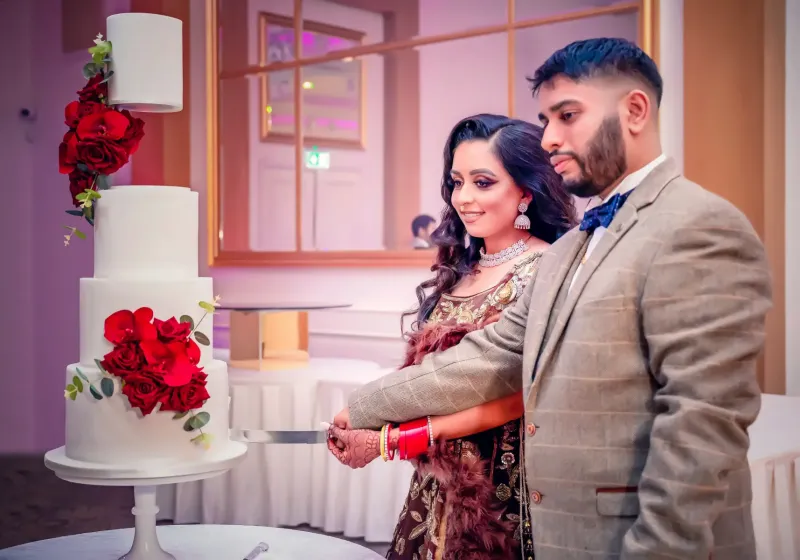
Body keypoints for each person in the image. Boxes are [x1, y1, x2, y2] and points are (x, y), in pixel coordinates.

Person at [329, 38, 772, 559]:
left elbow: (701, 424)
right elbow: (490, 355)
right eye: (546, 119)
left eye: (567, 116)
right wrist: (364, 407)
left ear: (634, 110)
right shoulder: (574, 247)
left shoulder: (699, 225)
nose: (550, 138)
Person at [331, 113, 575, 559]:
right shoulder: (465, 266)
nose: (463, 198)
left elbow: (520, 393)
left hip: (503, 481)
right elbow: (434, 377)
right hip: (437, 479)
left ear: (525, 191)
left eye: (483, 183)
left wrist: (393, 440)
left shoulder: (544, 268)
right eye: (456, 181)